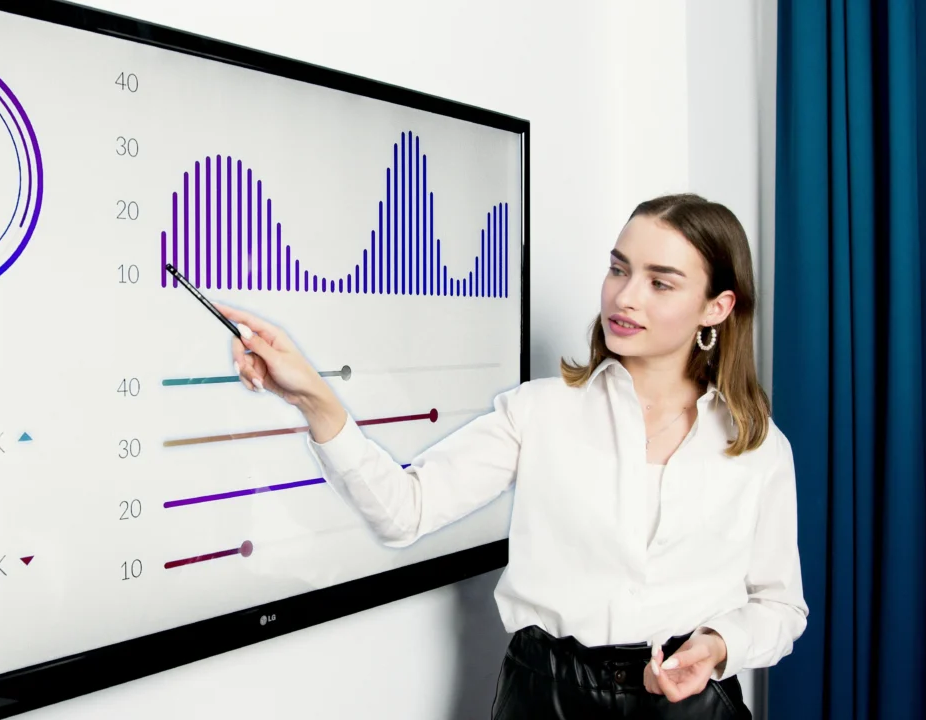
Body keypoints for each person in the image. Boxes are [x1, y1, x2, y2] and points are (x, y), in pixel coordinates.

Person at [217, 193, 807, 719]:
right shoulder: (539, 411)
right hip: (544, 698)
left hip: (692, 707)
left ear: (718, 308)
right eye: (618, 268)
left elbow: (780, 607)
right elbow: (403, 512)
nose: (625, 297)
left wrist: (718, 645)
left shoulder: (758, 449)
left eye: (661, 282)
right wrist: (314, 398)